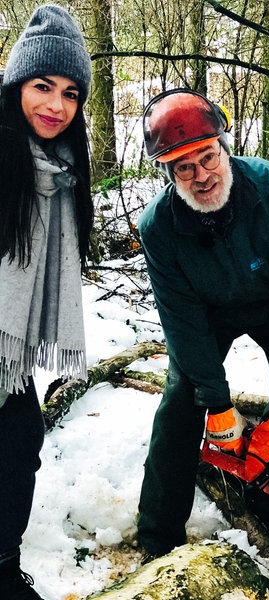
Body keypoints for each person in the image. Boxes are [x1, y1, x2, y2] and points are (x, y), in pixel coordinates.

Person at [137, 88, 269, 558]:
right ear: (169, 173)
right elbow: (182, 320)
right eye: (184, 167)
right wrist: (215, 402)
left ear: (224, 147)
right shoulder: (158, 226)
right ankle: (158, 535)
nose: (201, 176)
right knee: (180, 402)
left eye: (207, 157)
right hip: (207, 315)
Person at [0, 5, 92, 598]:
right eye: (42, 86)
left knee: (18, 442)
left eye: (70, 93)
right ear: (15, 86)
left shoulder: (60, 174)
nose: (55, 106)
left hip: (6, 355)